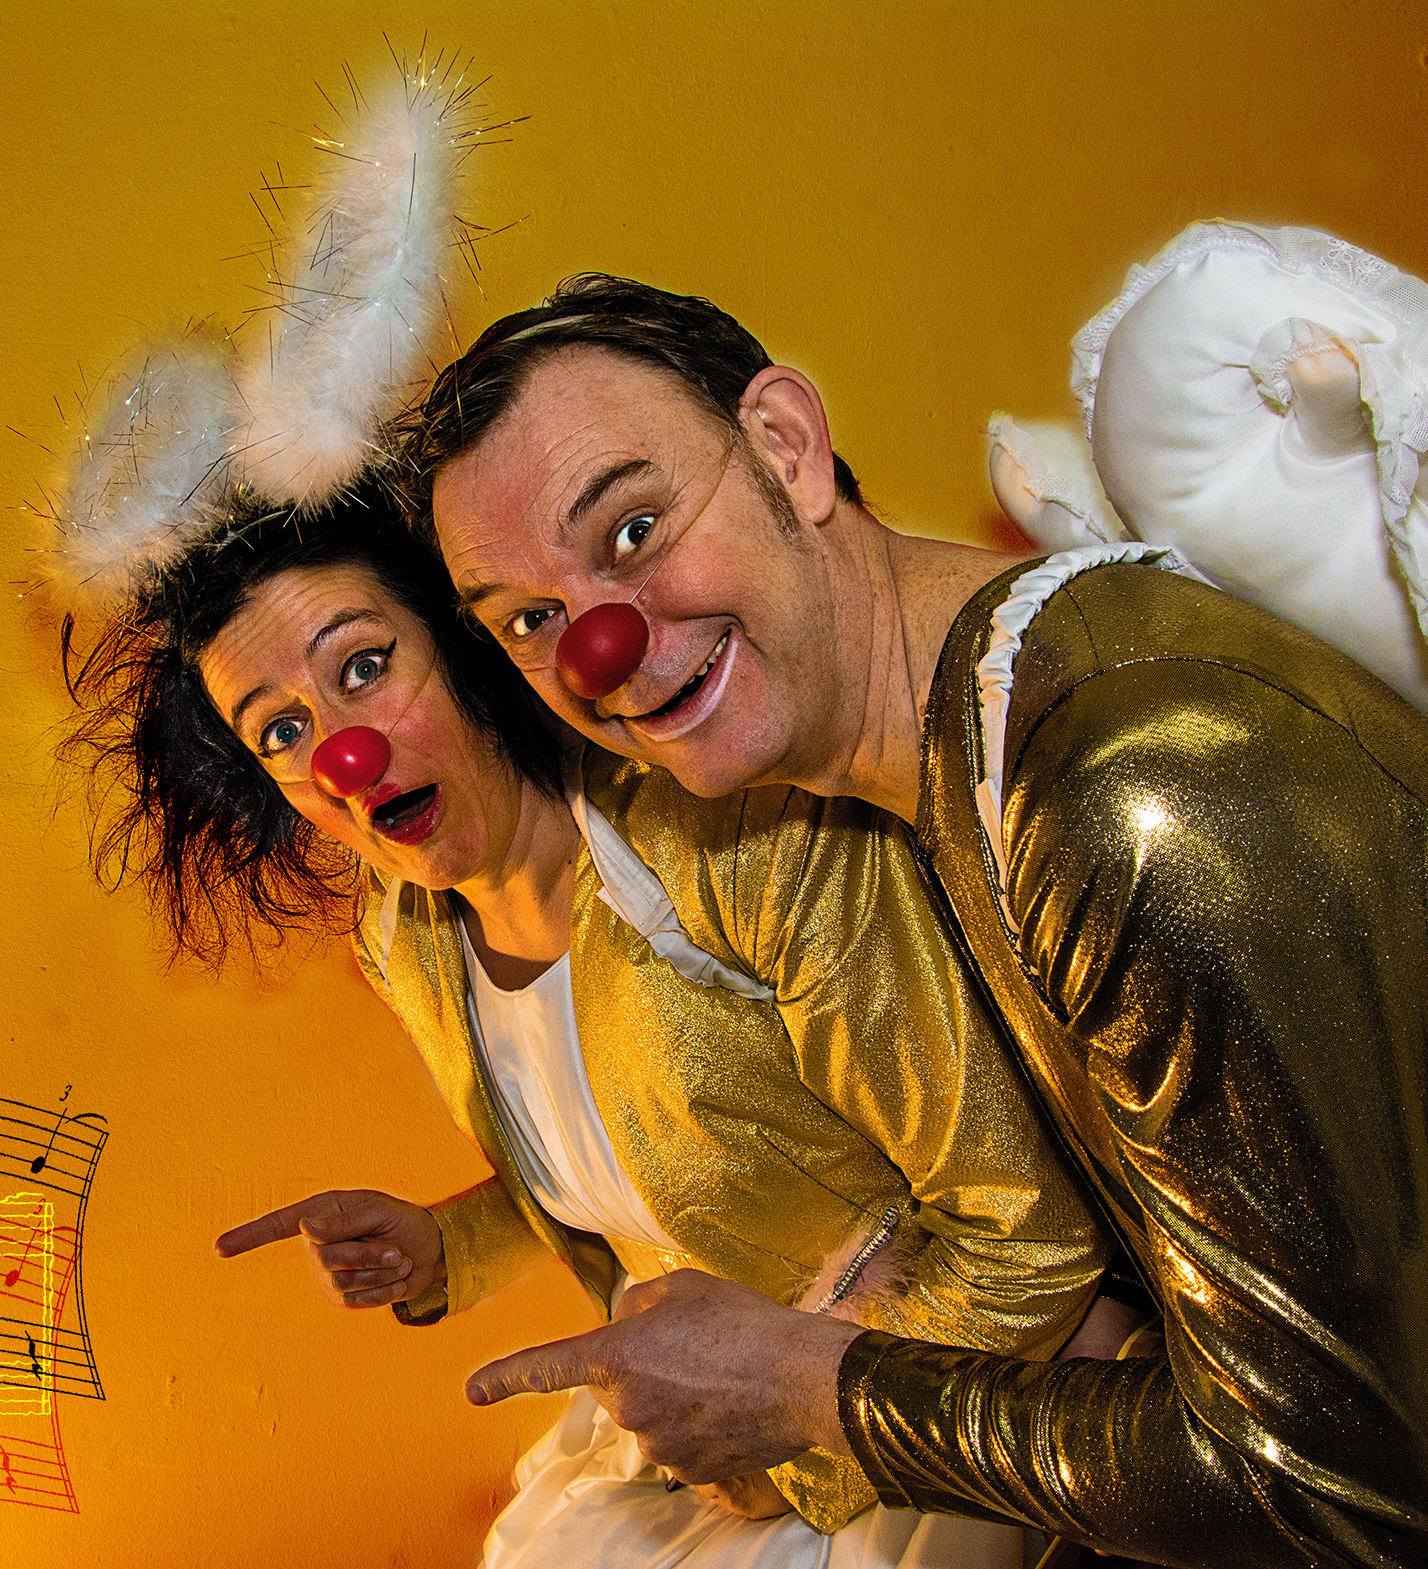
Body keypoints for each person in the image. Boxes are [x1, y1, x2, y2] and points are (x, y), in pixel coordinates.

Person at [406, 274, 1428, 1566]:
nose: (597, 648)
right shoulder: (954, 765)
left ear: (787, 448)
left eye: (632, 531)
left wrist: (816, 1387)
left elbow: (1321, 1495)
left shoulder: (1126, 784)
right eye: (530, 618)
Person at [65, 474, 1117, 1566]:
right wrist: (447, 1244)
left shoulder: (730, 840)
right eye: (282, 730)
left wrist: (791, 1430)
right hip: (692, 1446)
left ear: (462, 645)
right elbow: (653, 1154)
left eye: (365, 666)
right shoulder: (405, 940)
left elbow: (1026, 1234)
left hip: (924, 1415)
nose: (344, 755)